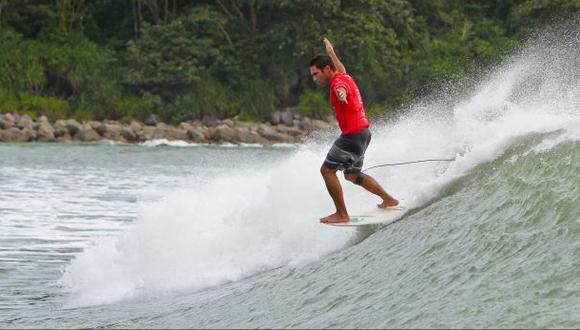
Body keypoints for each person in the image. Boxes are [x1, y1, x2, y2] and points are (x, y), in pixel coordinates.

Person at [309, 38, 399, 224]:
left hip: (352, 136)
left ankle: (342, 214)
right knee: (351, 175)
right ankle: (389, 199)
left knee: (327, 171)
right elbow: (341, 69)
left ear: (326, 70)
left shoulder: (337, 84)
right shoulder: (343, 76)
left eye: (316, 74)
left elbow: (340, 88)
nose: (314, 79)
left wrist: (341, 94)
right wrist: (331, 52)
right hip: (364, 134)